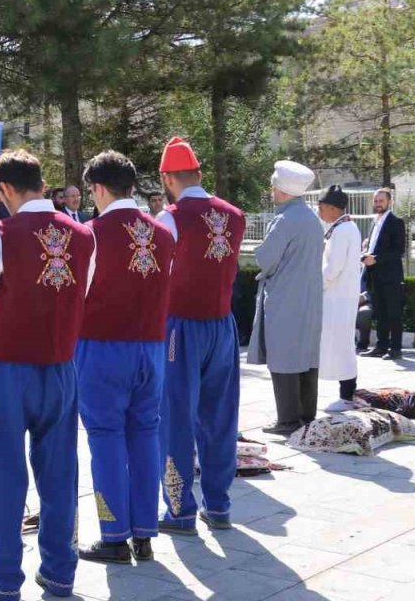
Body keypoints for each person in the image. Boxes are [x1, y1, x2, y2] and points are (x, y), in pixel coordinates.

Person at [0, 150, 93, 601]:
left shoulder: (0, 232)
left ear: (4, 190)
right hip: (60, 364)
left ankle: (3, 578)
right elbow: (84, 293)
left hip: (6, 364)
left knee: (2, 467)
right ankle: (60, 573)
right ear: (41, 183)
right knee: (61, 469)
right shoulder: (82, 235)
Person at [74, 151, 174, 564]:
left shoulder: (90, 233)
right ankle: (145, 534)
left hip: (102, 347)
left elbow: (77, 295)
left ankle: (114, 534)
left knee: (105, 438)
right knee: (145, 435)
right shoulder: (164, 234)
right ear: (132, 187)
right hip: (150, 347)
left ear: (97, 188)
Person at [151, 137, 246, 537]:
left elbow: (156, 277)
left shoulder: (170, 218)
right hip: (222, 323)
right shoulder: (235, 215)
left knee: (176, 415)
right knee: (220, 416)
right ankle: (219, 504)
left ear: (167, 179)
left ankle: (179, 509)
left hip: (180, 326)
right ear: (199, 174)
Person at [249, 161, 323, 435]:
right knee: (306, 357)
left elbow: (265, 258)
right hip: (309, 299)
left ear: (281, 190)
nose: (271, 190)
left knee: (284, 357)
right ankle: (306, 415)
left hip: (285, 298)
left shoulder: (285, 220)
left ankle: (288, 420)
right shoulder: (311, 218)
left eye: (273, 186)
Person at [318, 186, 365, 413]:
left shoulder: (343, 229)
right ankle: (346, 393)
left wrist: (318, 285)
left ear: (333, 208)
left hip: (338, 296)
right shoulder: (342, 227)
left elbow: (333, 268)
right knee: (340, 343)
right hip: (339, 296)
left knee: (343, 345)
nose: (320, 211)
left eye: (322, 207)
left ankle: (347, 396)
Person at [361, 189, 406, 359]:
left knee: (393, 313)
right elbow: (375, 246)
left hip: (391, 277)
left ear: (389, 202)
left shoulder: (396, 222)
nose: (378, 203)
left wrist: (376, 259)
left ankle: (395, 349)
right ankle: (381, 346)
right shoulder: (374, 222)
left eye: (381, 200)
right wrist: (366, 252)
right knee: (380, 312)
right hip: (375, 275)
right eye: (376, 200)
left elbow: (399, 251)